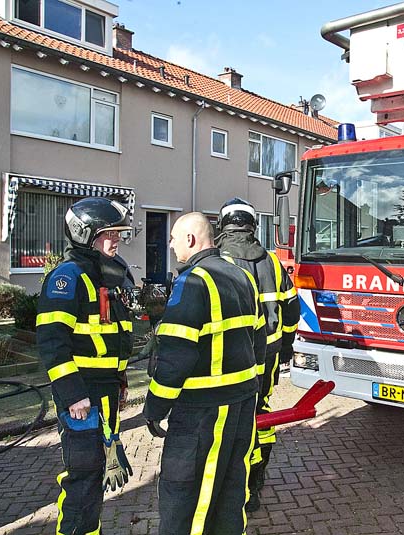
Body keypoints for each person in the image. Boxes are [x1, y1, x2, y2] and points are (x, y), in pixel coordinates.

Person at [143, 212, 266, 535]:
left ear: (191, 240)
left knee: (187, 498)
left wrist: (155, 409)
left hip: (202, 413)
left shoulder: (193, 281)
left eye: (173, 238)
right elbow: (260, 339)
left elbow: (175, 357)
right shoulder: (243, 277)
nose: (169, 245)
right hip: (241, 405)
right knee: (229, 493)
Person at [37, 197, 135, 535]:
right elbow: (52, 342)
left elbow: (113, 337)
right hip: (82, 395)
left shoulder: (104, 275)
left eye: (118, 232)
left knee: (98, 470)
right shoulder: (68, 277)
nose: (116, 239)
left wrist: (121, 382)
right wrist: (72, 393)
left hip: (105, 390)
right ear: (85, 234)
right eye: (108, 232)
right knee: (83, 474)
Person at [215, 197, 300, 512]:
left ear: (224, 225)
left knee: (231, 414)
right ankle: (257, 476)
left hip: (231, 354)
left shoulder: (218, 260)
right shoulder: (273, 261)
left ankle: (233, 481)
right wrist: (288, 343)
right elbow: (292, 307)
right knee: (261, 409)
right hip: (270, 351)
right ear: (252, 225)